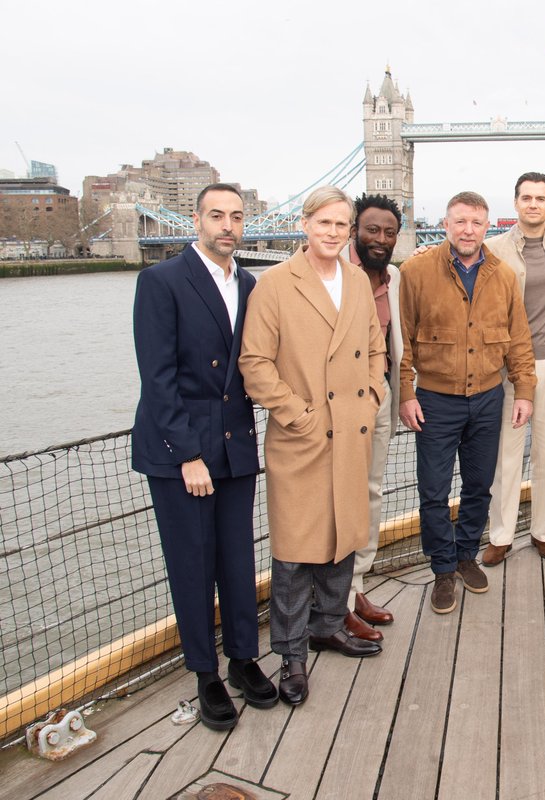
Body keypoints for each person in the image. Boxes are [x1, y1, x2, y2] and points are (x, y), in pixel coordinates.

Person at [132, 183, 278, 730]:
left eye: (237, 217)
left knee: (238, 560)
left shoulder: (250, 282)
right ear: (195, 220)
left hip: (236, 442)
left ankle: (242, 659)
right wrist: (187, 454)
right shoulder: (161, 281)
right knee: (192, 566)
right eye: (216, 215)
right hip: (182, 451)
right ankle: (205, 674)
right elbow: (158, 378)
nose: (227, 226)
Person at [240, 186, 385, 707]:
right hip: (301, 436)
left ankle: (328, 627)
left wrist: (372, 397)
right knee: (296, 553)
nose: (332, 232)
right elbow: (254, 363)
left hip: (350, 429)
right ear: (305, 225)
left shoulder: (356, 281)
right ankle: (291, 655)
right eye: (323, 222)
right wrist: (297, 414)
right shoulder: (274, 285)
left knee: (343, 537)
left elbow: (374, 346)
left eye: (341, 224)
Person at [397, 191, 537, 614]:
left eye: (476, 222)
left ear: (487, 226)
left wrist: (525, 390)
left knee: (479, 486)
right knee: (434, 491)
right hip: (435, 400)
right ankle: (442, 569)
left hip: (488, 398)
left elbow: (519, 340)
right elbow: (401, 338)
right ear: (445, 224)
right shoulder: (416, 270)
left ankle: (465, 556)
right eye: (460, 222)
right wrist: (406, 392)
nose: (468, 230)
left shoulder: (505, 275)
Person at [480, 173, 545, 566]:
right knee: (505, 455)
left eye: (541, 198)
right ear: (516, 203)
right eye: (527, 197)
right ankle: (501, 535)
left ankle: (543, 530)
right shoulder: (492, 248)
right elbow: (455, 258)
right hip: (507, 369)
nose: (533, 204)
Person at [341, 194, 404, 643]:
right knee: (338, 499)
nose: (379, 239)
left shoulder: (395, 276)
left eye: (388, 232)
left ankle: (356, 586)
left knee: (371, 493)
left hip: (380, 394)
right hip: (340, 403)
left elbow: (397, 341)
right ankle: (334, 600)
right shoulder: (333, 273)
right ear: (353, 231)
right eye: (371, 230)